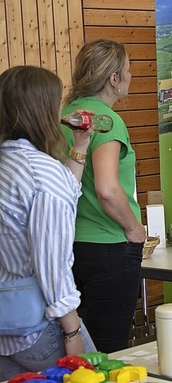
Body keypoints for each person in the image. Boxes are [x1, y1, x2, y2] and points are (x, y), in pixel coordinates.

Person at [0, 66, 96, 379]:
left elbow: (62, 190)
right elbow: (52, 264)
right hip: (40, 327)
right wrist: (72, 333)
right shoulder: (42, 173)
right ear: (41, 110)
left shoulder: (10, 163)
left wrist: (79, 147)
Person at [61, 39, 147, 353]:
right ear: (114, 79)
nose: (130, 77)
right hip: (109, 247)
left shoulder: (64, 115)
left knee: (76, 352)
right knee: (108, 353)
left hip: (68, 246)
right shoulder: (106, 122)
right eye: (128, 71)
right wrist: (133, 228)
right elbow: (108, 190)